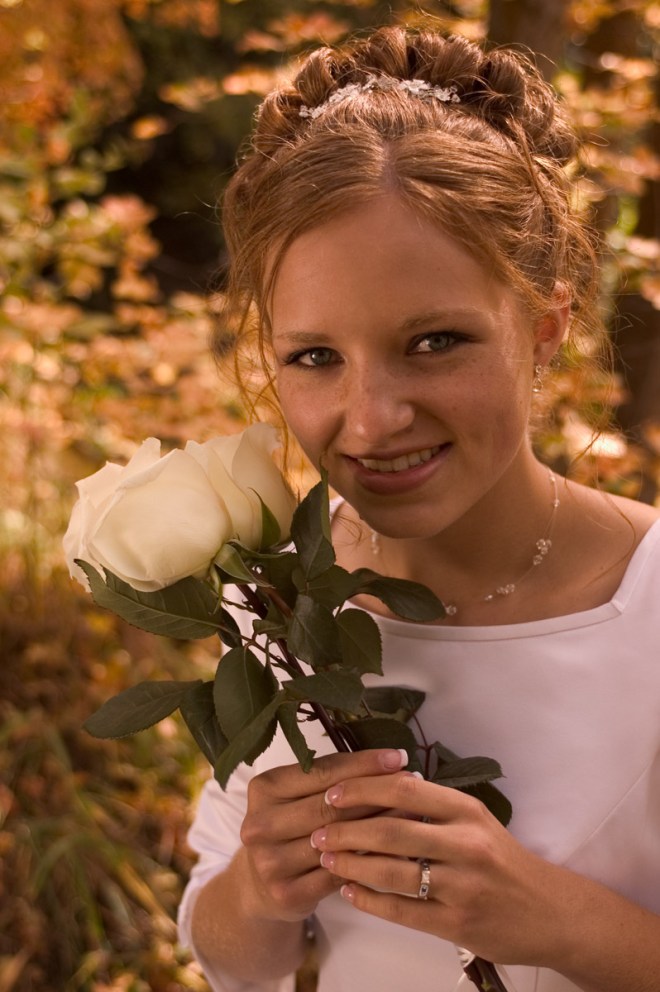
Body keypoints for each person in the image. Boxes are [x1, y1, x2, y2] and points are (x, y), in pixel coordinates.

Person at [177, 25, 660, 992]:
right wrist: (259, 891)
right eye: (316, 356)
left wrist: (561, 922)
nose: (371, 421)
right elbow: (225, 949)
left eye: (434, 342)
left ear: (543, 328)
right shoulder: (278, 601)